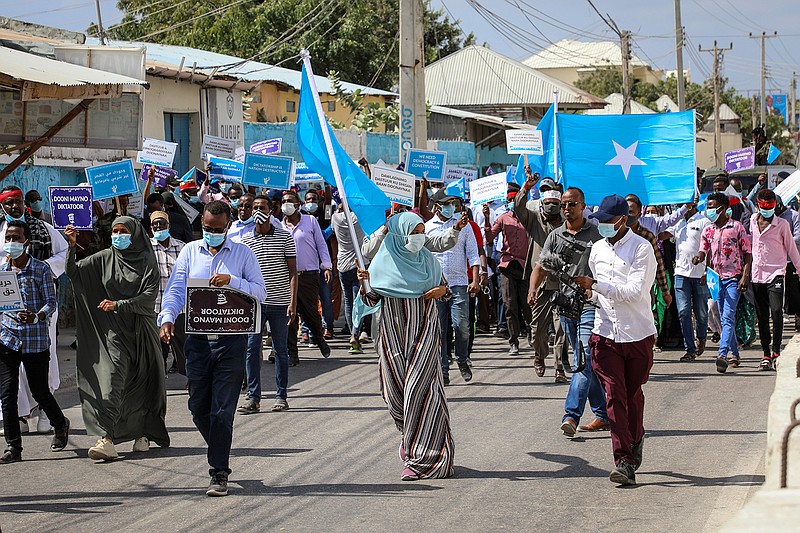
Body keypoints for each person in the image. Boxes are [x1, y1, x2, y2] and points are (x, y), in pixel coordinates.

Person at [158, 200, 266, 497]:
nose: (211, 233)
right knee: (197, 409)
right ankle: (220, 445)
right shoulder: (190, 251)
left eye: (216, 229)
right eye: (206, 228)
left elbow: (261, 293)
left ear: (228, 226)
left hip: (232, 343)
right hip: (198, 342)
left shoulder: (243, 254)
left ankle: (218, 471)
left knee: (221, 412)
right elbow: (177, 289)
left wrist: (234, 282)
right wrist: (167, 318)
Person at [356, 212, 454, 481]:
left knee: (420, 391)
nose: (419, 237)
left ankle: (425, 458)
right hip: (392, 336)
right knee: (394, 394)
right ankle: (407, 433)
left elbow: (446, 289)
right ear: (399, 235)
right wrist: (363, 283)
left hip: (424, 332)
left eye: (422, 231)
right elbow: (370, 300)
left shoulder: (428, 262)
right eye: (414, 232)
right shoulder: (380, 263)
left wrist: (441, 292)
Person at [65, 216, 169, 461]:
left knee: (143, 381)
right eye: (115, 231)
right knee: (112, 379)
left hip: (141, 328)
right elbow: (74, 273)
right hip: (114, 331)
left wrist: (119, 304)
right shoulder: (104, 257)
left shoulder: (146, 259)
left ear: (133, 234)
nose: (118, 236)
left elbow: (148, 296)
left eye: (123, 231)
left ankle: (141, 432)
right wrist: (71, 247)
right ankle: (107, 439)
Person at [573, 194, 657, 486]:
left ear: (623, 219)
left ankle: (636, 438)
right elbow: (599, 293)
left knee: (632, 395)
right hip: (605, 334)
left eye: (609, 221)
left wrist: (596, 286)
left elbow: (634, 292)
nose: (604, 226)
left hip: (637, 334)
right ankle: (623, 460)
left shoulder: (642, 249)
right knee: (614, 396)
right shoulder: (596, 249)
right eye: (601, 221)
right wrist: (589, 293)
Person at [529, 187, 608, 437]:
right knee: (587, 363)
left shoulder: (597, 234)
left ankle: (571, 415)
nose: (566, 209)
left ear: (583, 206)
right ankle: (604, 414)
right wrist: (532, 290)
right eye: (564, 205)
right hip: (565, 306)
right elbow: (541, 267)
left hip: (590, 305)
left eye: (572, 204)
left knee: (581, 360)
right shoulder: (555, 236)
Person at [0, 220, 69, 463]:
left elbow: (51, 302)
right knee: (7, 394)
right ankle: (13, 447)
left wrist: (37, 315)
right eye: (8, 238)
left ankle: (60, 423)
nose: (11, 243)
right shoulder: (2, 271)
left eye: (16, 238)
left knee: (39, 390)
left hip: (35, 339)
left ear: (26, 242)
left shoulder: (40, 269)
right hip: (8, 339)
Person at [239, 196, 297, 413]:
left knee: (280, 350)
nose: (256, 211)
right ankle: (253, 397)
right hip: (255, 303)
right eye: (254, 208)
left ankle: (281, 395)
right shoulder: (245, 240)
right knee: (252, 349)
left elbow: (293, 272)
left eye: (261, 207)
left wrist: (292, 302)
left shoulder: (284, 237)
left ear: (271, 210)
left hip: (280, 302)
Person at [514, 171, 567, 382]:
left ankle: (559, 367)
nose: (552, 206)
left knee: (561, 325)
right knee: (537, 327)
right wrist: (526, 187)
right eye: (549, 202)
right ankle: (539, 355)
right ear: (542, 203)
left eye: (556, 202)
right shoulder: (533, 219)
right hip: (539, 283)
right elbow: (518, 207)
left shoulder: (566, 222)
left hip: (562, 282)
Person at [692, 193, 752, 372]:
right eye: (707, 206)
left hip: (734, 277)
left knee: (727, 316)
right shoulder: (708, 230)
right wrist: (699, 259)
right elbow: (704, 250)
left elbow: (748, 253)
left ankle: (722, 354)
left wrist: (745, 276)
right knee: (724, 317)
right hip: (716, 279)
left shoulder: (737, 227)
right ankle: (735, 354)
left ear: (723, 208)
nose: (708, 210)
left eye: (712, 206)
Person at [425, 195, 480, 385]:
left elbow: (473, 252)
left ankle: (462, 358)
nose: (451, 207)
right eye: (447, 204)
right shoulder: (427, 227)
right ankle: (443, 369)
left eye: (453, 204)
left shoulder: (464, 225)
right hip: (437, 285)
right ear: (438, 207)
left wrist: (476, 279)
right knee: (440, 329)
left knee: (461, 325)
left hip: (459, 282)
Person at [749, 189, 800, 370]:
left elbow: (792, 249)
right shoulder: (752, 222)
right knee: (762, 316)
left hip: (777, 273)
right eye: (764, 207)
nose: (767, 211)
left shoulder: (782, 224)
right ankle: (766, 354)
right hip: (757, 274)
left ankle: (776, 349)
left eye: (770, 207)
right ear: (758, 205)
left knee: (777, 311)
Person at [281, 191, 332, 363]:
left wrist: (326, 266)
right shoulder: (280, 227)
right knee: (290, 314)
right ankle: (292, 354)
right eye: (284, 201)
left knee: (311, 313)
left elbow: (321, 244)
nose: (286, 204)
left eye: (290, 201)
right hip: (287, 277)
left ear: (298, 205)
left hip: (308, 276)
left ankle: (319, 337)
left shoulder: (310, 221)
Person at [483, 183, 531, 356]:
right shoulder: (503, 218)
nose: (512, 202)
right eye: (510, 200)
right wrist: (487, 218)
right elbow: (489, 238)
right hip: (507, 265)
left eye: (514, 199)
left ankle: (532, 333)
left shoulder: (529, 218)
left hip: (525, 267)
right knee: (510, 305)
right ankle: (514, 341)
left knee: (527, 304)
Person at [663, 203, 711, 361]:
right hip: (681, 274)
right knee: (683, 311)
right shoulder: (677, 221)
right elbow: (662, 234)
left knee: (701, 313)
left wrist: (706, 271)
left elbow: (710, 247)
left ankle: (702, 338)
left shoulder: (704, 221)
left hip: (699, 275)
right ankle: (690, 349)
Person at [150, 211, 186, 374]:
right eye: (155, 224)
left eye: (162, 223)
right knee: (158, 350)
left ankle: (191, 377)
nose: (159, 227)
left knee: (184, 348)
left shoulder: (182, 247)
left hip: (180, 309)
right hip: (155, 307)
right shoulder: (146, 249)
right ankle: (158, 382)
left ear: (168, 225)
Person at [330, 205, 368, 353]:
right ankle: (355, 333)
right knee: (359, 301)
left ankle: (353, 331)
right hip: (359, 264)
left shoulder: (336, 218)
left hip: (342, 266)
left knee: (348, 302)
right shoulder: (360, 218)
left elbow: (331, 231)